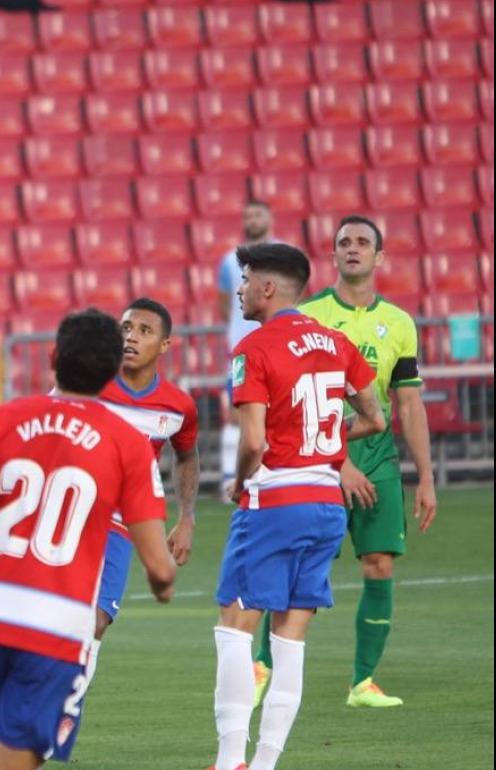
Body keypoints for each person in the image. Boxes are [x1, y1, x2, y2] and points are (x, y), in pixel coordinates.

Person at [0, 308, 176, 770]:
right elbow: (158, 566)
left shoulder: (1, 418)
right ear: (114, 370)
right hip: (56, 624)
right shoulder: (128, 442)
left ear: (54, 357)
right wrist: (163, 587)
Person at [246, 216, 438, 710]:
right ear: (332, 256)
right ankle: (261, 666)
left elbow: (408, 403)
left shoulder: (399, 323)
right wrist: (339, 463)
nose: (353, 248)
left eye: (363, 242)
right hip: (315, 459)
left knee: (379, 564)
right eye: (344, 242)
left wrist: (426, 477)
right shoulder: (308, 316)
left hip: (378, 457)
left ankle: (363, 682)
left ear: (379, 256)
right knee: (296, 567)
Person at [211, 243, 384, 770]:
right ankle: (265, 764)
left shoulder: (253, 348)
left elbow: (253, 442)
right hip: (326, 504)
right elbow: (375, 417)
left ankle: (229, 760)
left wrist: (240, 481)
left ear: (267, 288)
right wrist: (323, 445)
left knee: (234, 627)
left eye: (245, 281)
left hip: (275, 500)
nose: (239, 290)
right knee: (290, 641)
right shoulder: (337, 342)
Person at [88, 298, 200, 677]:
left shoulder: (178, 406)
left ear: (164, 345)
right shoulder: (89, 385)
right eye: (126, 328)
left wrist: (187, 519)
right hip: (76, 512)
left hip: (121, 522)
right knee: (58, 617)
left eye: (144, 331)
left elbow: (186, 455)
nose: (131, 338)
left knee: (97, 622)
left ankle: (66, 708)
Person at [217, 201, 276, 490]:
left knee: (276, 412)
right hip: (241, 350)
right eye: (248, 216)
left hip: (276, 347)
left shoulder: (283, 255)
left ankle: (270, 474)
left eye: (257, 214)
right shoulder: (230, 260)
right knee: (236, 414)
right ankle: (231, 478)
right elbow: (225, 305)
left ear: (269, 218)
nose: (252, 220)